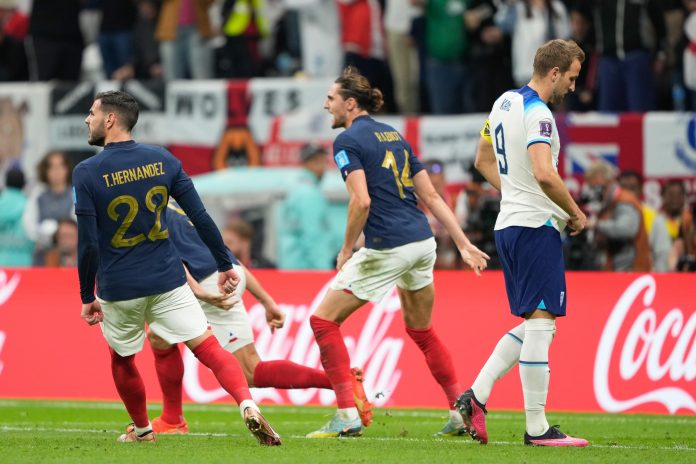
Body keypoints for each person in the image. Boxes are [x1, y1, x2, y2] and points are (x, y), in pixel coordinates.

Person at [74, 90, 280, 445]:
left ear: (110, 119)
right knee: (210, 348)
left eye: (92, 113)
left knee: (123, 359)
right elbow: (200, 217)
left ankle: (142, 431)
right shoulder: (163, 160)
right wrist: (224, 263)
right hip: (168, 281)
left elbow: (89, 242)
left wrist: (85, 294)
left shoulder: (87, 172)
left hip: (119, 286)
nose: (87, 120)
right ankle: (247, 403)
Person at [306, 66, 490, 438]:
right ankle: (460, 410)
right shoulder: (395, 136)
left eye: (331, 99)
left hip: (389, 245)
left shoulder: (346, 142)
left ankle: (346, 415)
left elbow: (361, 201)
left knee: (323, 322)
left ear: (350, 103)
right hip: (423, 243)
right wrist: (462, 242)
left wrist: (345, 251)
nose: (326, 106)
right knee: (421, 330)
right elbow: (431, 195)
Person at [457, 39, 589, 447]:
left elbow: (481, 160)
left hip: (509, 225)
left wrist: (514, 191)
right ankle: (537, 428)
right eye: (571, 77)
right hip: (534, 226)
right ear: (554, 73)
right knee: (542, 324)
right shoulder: (539, 114)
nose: (572, 85)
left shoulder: (503, 103)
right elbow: (544, 173)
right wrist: (573, 212)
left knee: (534, 325)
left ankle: (475, 396)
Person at [144, 204, 372, 433]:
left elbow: (169, 255)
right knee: (250, 371)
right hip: (230, 272)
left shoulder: (143, 207)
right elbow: (226, 255)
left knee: (158, 334)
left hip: (207, 281)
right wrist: (265, 300)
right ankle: (344, 382)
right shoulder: (176, 204)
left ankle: (173, 420)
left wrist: (199, 291)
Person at [583, 161, 651, 272]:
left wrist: (595, 224)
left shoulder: (624, 200)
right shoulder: (611, 202)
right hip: (618, 270)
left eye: (592, 186)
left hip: (629, 272)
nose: (592, 191)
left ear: (600, 179)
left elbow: (626, 229)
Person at [277, 143, 334, 270]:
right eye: (322, 162)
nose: (325, 168)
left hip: (291, 265)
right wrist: (323, 270)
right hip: (306, 268)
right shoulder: (309, 194)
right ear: (312, 162)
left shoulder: (296, 189)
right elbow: (314, 236)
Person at [22, 151, 75, 266]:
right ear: (45, 171)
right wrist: (44, 235)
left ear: (66, 169)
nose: (56, 171)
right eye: (52, 167)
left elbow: (76, 223)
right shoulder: (37, 194)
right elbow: (29, 225)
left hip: (67, 259)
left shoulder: (74, 194)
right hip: (42, 257)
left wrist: (60, 233)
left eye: (60, 166)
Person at [618, 170, 671, 272]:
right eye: (624, 188)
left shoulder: (654, 217)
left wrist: (660, 280)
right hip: (612, 277)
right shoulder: (608, 214)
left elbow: (662, 254)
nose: (628, 193)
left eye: (633, 188)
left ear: (641, 190)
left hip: (644, 277)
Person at [0, 167, 33, 266]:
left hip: (2, 257)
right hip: (24, 257)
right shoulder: (29, 204)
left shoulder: (1, 203)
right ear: (24, 184)